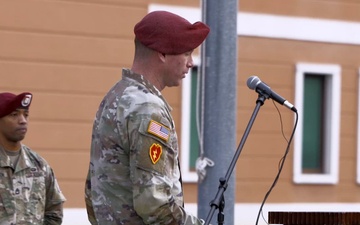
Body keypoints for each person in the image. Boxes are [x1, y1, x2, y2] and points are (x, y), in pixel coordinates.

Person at [85, 10, 210, 225]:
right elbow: (154, 204)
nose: (190, 63)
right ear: (162, 53)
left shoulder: (115, 97)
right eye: (186, 53)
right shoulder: (148, 108)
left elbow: (92, 190)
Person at [0, 92, 66, 224]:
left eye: (26, 114)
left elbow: (54, 213)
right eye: (14, 114)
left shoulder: (39, 166)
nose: (23, 120)